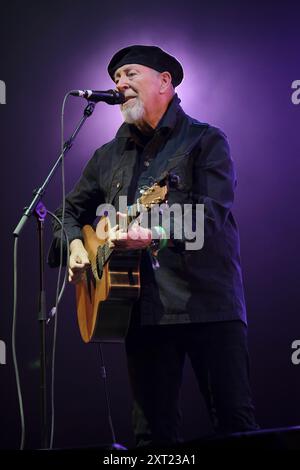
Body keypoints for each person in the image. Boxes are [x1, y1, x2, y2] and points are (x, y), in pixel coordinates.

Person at [49, 45, 258, 446]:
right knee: (151, 435)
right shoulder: (107, 155)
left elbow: (212, 212)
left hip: (207, 306)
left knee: (234, 423)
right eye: (115, 79)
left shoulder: (205, 140)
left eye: (129, 74)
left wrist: (154, 231)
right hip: (140, 313)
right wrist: (75, 244)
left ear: (165, 81)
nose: (119, 84)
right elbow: (64, 214)